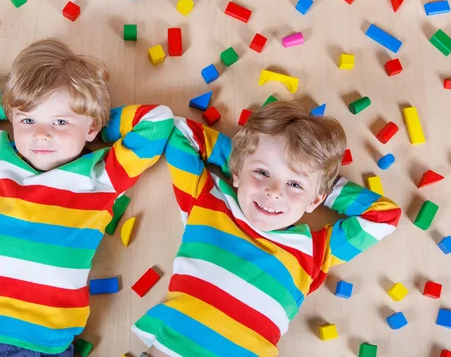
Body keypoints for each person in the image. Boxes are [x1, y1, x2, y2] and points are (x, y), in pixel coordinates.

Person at [0, 39, 174, 357]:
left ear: (92, 127)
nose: (40, 134)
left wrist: (94, 117)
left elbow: (158, 121)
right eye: (27, 120)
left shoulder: (102, 176)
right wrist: (15, 102)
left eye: (60, 122)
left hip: (40, 343)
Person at [132, 100, 402, 357]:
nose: (273, 192)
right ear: (237, 172)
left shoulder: (315, 251)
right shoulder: (208, 201)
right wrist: (242, 160)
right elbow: (181, 132)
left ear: (316, 199)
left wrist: (319, 188)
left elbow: (384, 216)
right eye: (262, 173)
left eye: (294, 185)